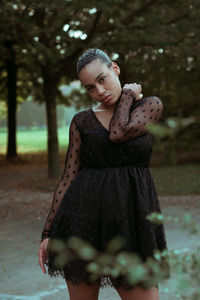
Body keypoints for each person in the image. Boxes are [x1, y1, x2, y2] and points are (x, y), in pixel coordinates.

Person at [38, 48, 169, 300]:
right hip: (81, 222)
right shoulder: (82, 121)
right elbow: (68, 177)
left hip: (133, 225)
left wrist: (128, 95)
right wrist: (47, 233)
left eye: (102, 79)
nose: (99, 91)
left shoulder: (149, 106)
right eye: (90, 87)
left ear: (115, 69)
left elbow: (118, 132)